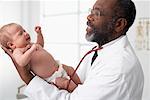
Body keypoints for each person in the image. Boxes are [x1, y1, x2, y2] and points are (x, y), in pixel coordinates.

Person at [1, 0, 144, 99]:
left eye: (97, 13)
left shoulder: (119, 68)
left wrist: (27, 78)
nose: (89, 16)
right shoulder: (101, 50)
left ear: (119, 24)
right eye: (91, 11)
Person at [0, 23, 81, 92]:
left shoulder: (30, 45)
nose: (25, 33)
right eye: (20, 33)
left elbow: (40, 45)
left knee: (71, 69)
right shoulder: (18, 51)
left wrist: (39, 34)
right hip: (51, 77)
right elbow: (21, 62)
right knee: (66, 83)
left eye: (24, 30)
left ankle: (81, 85)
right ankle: (79, 93)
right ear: (11, 45)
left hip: (59, 67)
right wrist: (31, 50)